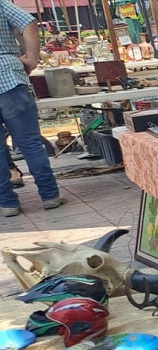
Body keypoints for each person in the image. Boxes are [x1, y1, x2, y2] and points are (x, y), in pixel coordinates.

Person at [0, 3, 64, 217]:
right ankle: (50, 195)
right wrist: (32, 57)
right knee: (30, 142)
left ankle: (8, 203)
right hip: (8, 75)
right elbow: (28, 22)